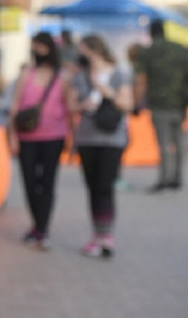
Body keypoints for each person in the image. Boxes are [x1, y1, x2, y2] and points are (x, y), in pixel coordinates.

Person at [68, 35, 133, 258]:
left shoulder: (117, 74)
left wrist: (108, 92)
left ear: (94, 50)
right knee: (93, 187)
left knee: (105, 186)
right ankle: (97, 234)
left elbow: (128, 104)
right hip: (87, 138)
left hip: (112, 139)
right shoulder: (80, 76)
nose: (82, 55)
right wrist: (83, 104)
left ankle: (107, 236)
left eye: (84, 50)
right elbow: (71, 104)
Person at [8, 32, 73, 250]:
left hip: (54, 136)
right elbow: (14, 106)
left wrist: (71, 138)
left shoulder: (62, 76)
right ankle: (37, 223)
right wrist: (12, 136)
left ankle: (41, 228)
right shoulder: (26, 73)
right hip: (27, 136)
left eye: (42, 47)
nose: (39, 51)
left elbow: (68, 109)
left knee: (47, 182)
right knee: (29, 181)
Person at [134, 19, 188, 193]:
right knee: (178, 140)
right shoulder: (180, 50)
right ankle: (177, 178)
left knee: (164, 142)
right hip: (179, 102)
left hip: (159, 103)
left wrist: (136, 103)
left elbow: (141, 80)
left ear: (151, 32)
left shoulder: (148, 52)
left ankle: (165, 179)